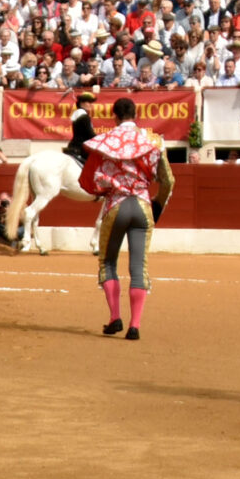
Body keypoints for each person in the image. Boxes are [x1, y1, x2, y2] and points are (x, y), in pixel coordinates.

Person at [77, 96, 174, 341]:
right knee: (139, 267)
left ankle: (114, 318)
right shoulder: (152, 141)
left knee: (108, 263)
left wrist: (105, 190)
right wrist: (158, 204)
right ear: (135, 115)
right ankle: (135, 326)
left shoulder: (105, 142)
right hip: (142, 206)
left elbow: (90, 180)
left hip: (116, 205)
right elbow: (168, 180)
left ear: (115, 116)